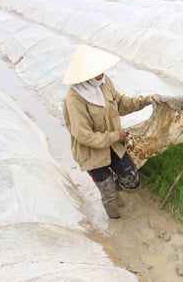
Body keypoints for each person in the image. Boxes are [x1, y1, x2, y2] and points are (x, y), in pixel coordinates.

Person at [62, 44, 159, 219]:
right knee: (108, 192)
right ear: (85, 73)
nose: (102, 72)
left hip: (113, 145)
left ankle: (113, 187)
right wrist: (115, 135)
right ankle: (117, 222)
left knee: (132, 179)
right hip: (92, 153)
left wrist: (145, 100)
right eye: (96, 70)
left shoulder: (104, 84)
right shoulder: (74, 100)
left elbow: (121, 103)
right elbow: (83, 135)